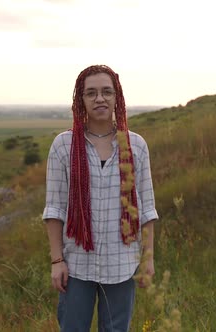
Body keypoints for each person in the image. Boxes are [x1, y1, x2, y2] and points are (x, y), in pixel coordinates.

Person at [43, 64, 158, 331]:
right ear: (80, 100)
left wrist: (148, 259)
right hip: (76, 265)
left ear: (117, 97)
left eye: (107, 92)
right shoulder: (64, 145)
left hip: (123, 264)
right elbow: (54, 209)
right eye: (91, 93)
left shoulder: (136, 145)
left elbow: (147, 208)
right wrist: (57, 260)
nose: (100, 98)